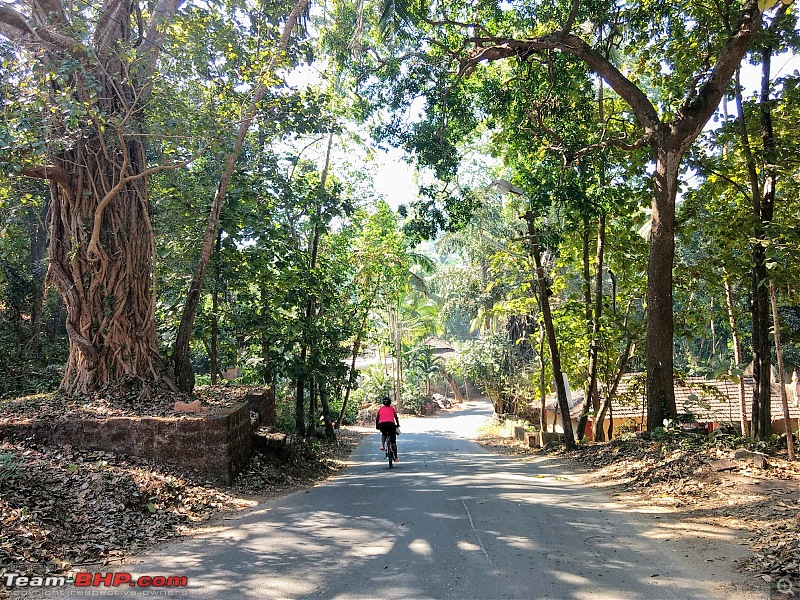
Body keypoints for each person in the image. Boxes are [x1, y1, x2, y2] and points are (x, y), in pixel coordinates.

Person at [375, 395, 400, 462]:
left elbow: (377, 418)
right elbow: (396, 417)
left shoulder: (381, 409)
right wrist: (398, 424)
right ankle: (396, 457)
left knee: (384, 433)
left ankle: (382, 445)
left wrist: (377, 426)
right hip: (391, 425)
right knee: (393, 442)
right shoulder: (392, 408)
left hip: (382, 425)